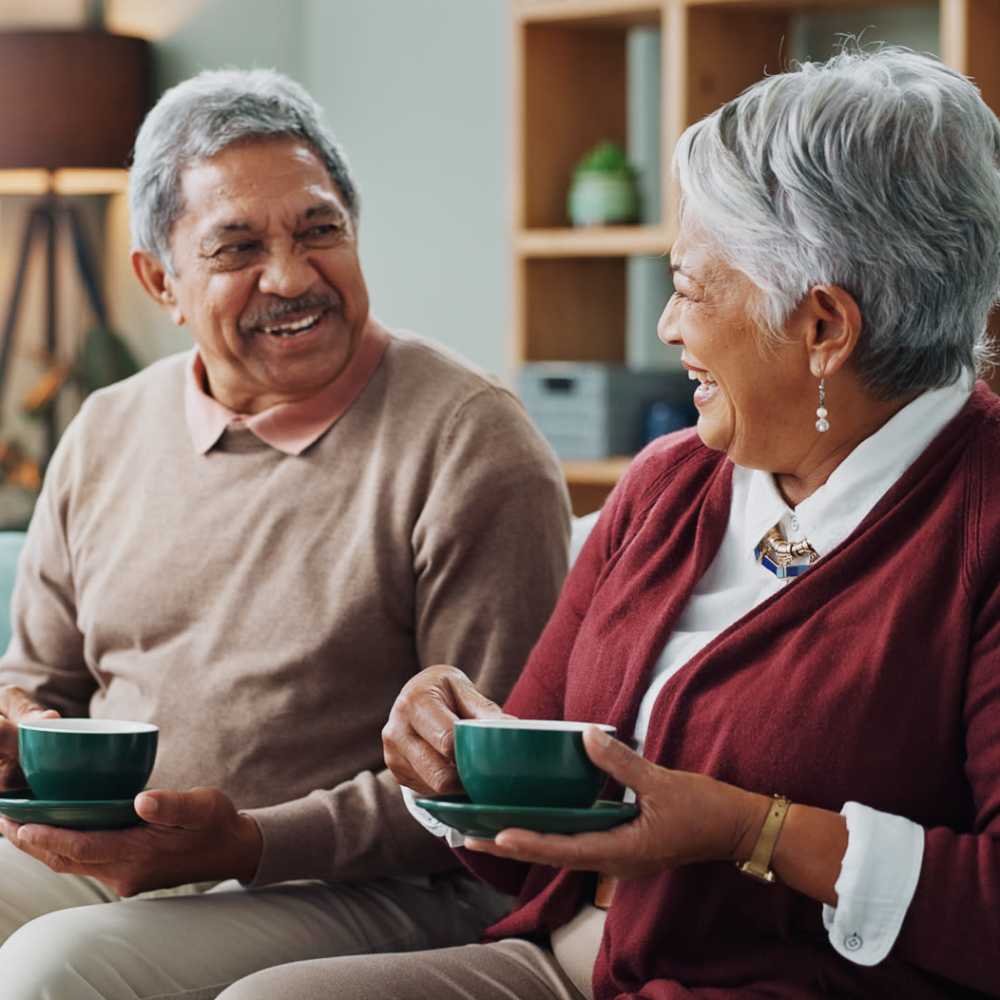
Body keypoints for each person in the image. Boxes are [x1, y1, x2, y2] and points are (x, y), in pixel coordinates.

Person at [219, 46, 1000, 1000]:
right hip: (560, 964)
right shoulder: (670, 483)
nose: (669, 326)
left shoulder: (981, 523)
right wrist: (456, 747)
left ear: (825, 327)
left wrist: (750, 830)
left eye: (691, 284)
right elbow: (519, 846)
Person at [0, 68, 570, 999]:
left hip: (381, 887)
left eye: (320, 231)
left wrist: (248, 842)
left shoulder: (469, 438)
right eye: (236, 248)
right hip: (125, 860)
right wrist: (18, 725)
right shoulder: (106, 427)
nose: (292, 277)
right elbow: (38, 681)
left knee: (54, 972)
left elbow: (497, 787)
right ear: (160, 281)